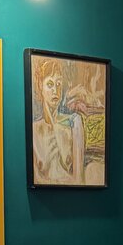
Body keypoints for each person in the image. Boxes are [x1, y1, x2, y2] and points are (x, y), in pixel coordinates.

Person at [31, 57, 89, 186]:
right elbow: (35, 180)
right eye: (50, 84)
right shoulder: (33, 130)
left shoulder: (74, 122)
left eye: (58, 84)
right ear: (40, 86)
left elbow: (79, 179)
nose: (55, 91)